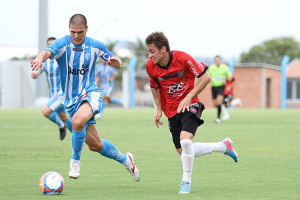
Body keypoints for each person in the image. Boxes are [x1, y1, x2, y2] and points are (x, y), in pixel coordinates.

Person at [30, 14, 140, 181]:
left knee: (76, 122)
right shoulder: (62, 44)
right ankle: (126, 160)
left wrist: (115, 61)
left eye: (80, 32)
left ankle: (75, 161)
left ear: (86, 29)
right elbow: (47, 52)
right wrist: (39, 59)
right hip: (71, 102)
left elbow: (109, 57)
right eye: (73, 32)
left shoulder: (95, 46)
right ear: (69, 30)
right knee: (96, 145)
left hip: (90, 94)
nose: (76, 35)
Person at [145, 32, 238, 194]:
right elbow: (155, 87)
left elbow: (206, 77)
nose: (149, 55)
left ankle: (185, 181)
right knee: (184, 152)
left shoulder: (183, 58)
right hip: (171, 112)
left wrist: (188, 97)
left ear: (163, 49)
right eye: (149, 51)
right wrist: (159, 109)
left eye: (152, 51)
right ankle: (223, 146)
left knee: (186, 142)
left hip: (191, 106)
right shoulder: (150, 66)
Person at [31, 37, 72, 140]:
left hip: (61, 93)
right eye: (50, 45)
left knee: (46, 111)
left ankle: (61, 126)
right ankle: (80, 137)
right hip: (52, 94)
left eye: (54, 45)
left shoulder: (63, 60)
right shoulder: (45, 63)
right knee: (63, 117)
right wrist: (34, 74)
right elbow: (35, 73)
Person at [208, 56, 232, 123]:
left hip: (221, 87)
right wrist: (210, 79)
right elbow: (208, 76)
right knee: (215, 104)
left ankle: (218, 118)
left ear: (220, 60)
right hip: (213, 87)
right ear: (214, 61)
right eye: (216, 60)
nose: (218, 61)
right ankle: (223, 103)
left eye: (219, 60)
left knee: (219, 102)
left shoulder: (224, 67)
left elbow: (230, 77)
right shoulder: (211, 68)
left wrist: (226, 80)